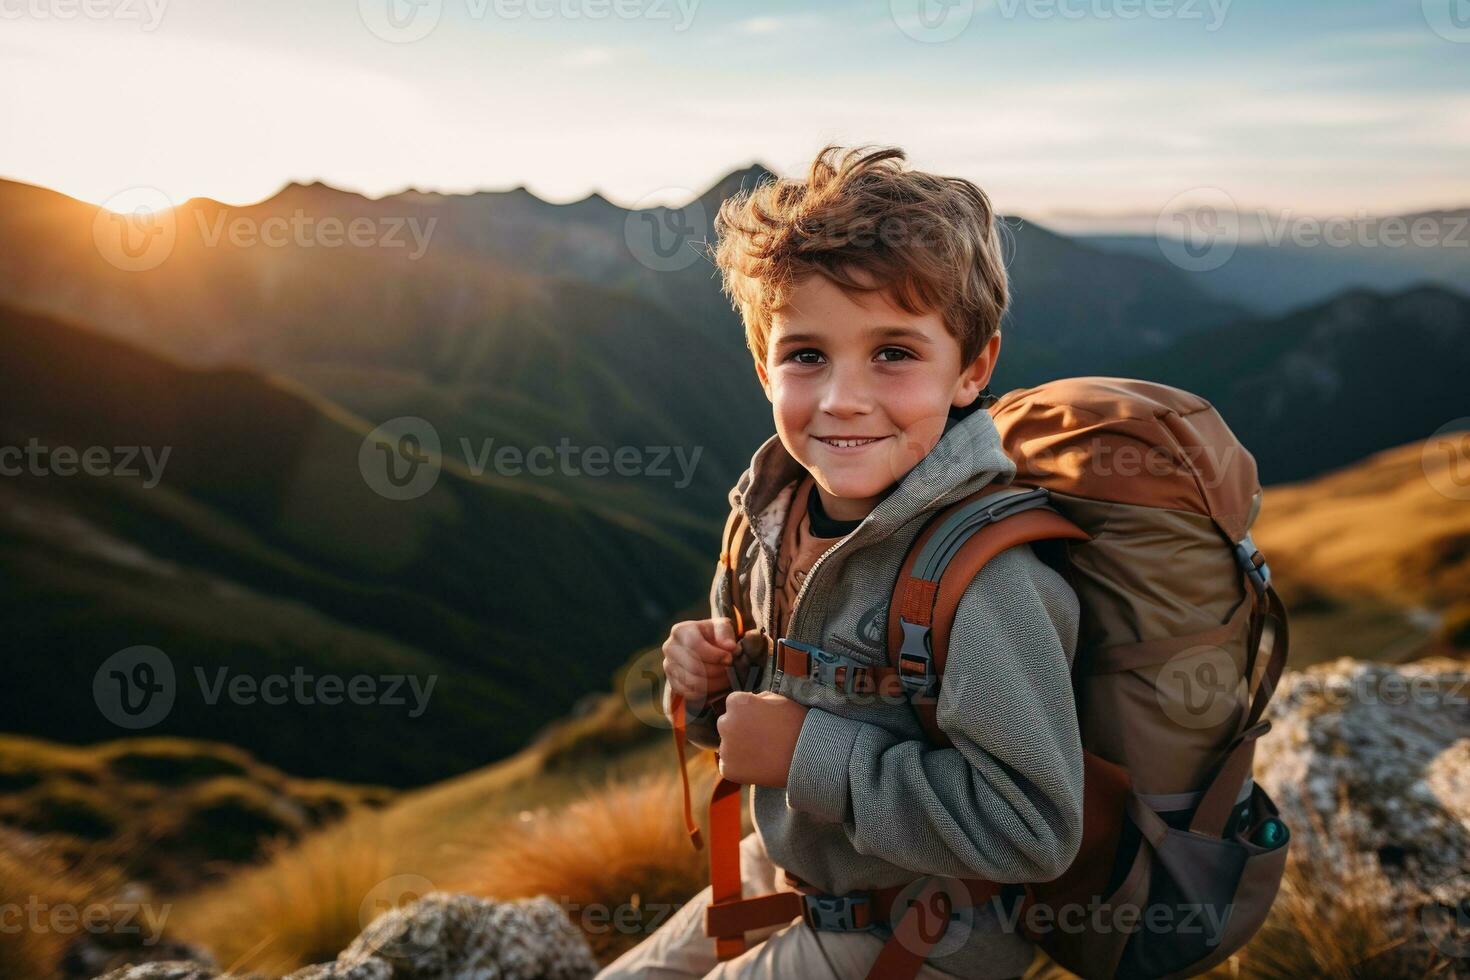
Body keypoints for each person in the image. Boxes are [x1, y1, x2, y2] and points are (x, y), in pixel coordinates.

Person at [597, 144, 1083, 980]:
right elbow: (750, 727)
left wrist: (803, 755)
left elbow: (1033, 828)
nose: (843, 397)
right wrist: (710, 685)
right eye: (806, 355)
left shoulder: (987, 580)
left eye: (894, 353)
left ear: (972, 369)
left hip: (924, 928)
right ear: (763, 367)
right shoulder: (765, 515)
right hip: (797, 870)